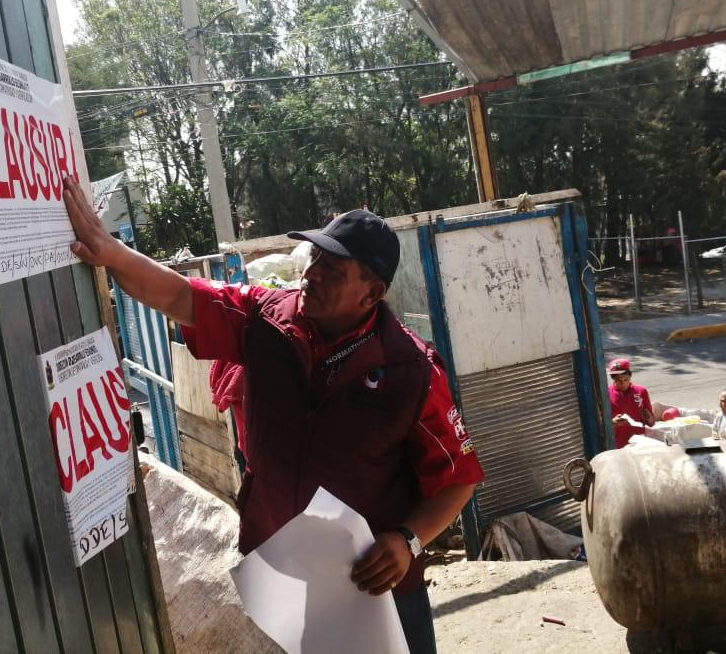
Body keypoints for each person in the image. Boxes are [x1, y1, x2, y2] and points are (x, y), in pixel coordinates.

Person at [63, 176, 483, 653]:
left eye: (334, 270)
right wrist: (111, 253)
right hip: (279, 572)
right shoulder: (265, 319)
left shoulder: (411, 371)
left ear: (372, 294)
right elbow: (180, 296)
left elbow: (458, 477)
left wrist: (407, 541)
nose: (313, 274)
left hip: (376, 586)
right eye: (316, 259)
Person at [607, 358, 655, 448]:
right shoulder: (606, 393)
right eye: (618, 380)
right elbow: (601, 425)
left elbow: (651, 423)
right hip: (618, 446)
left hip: (640, 444)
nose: (623, 383)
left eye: (626, 379)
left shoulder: (641, 391)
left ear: (630, 376)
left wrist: (648, 417)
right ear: (613, 379)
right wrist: (613, 422)